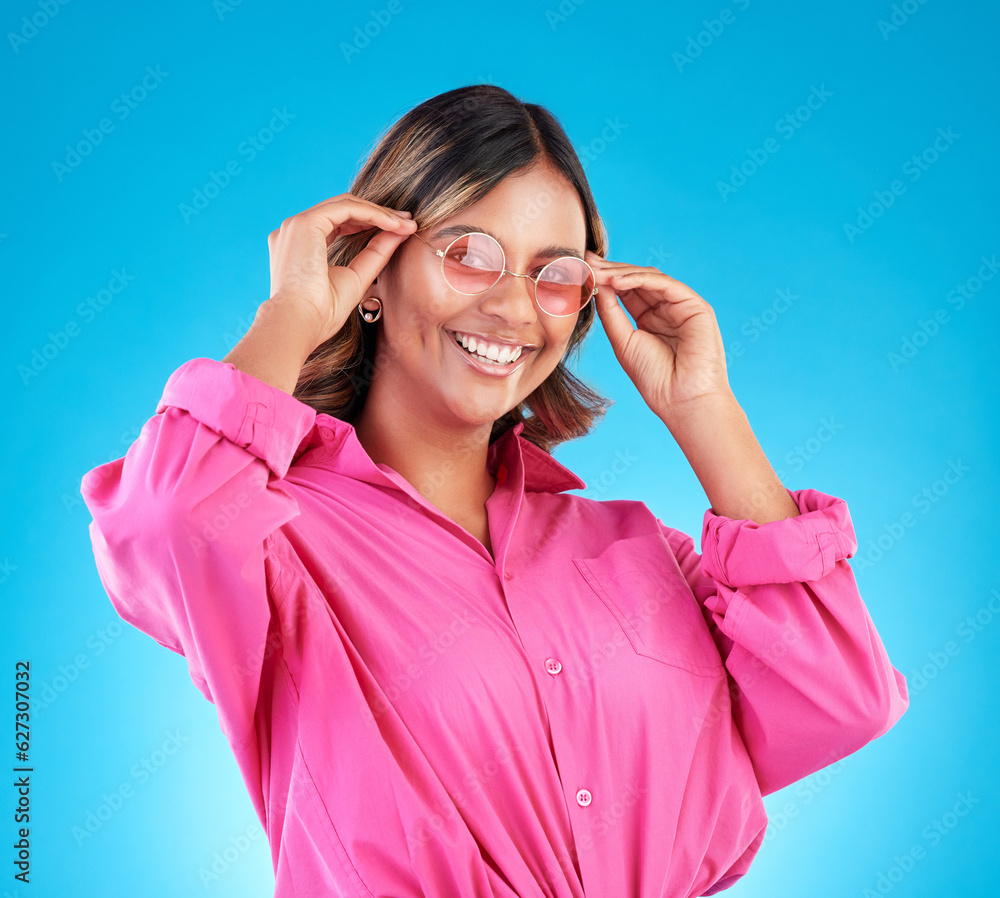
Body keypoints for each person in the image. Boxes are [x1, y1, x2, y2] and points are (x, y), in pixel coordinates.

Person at [80, 84, 909, 897]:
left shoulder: (637, 549)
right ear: (372, 270)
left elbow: (840, 698)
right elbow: (166, 525)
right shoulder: (275, 536)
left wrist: (705, 412)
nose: (515, 307)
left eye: (553, 275)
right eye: (468, 255)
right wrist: (294, 310)